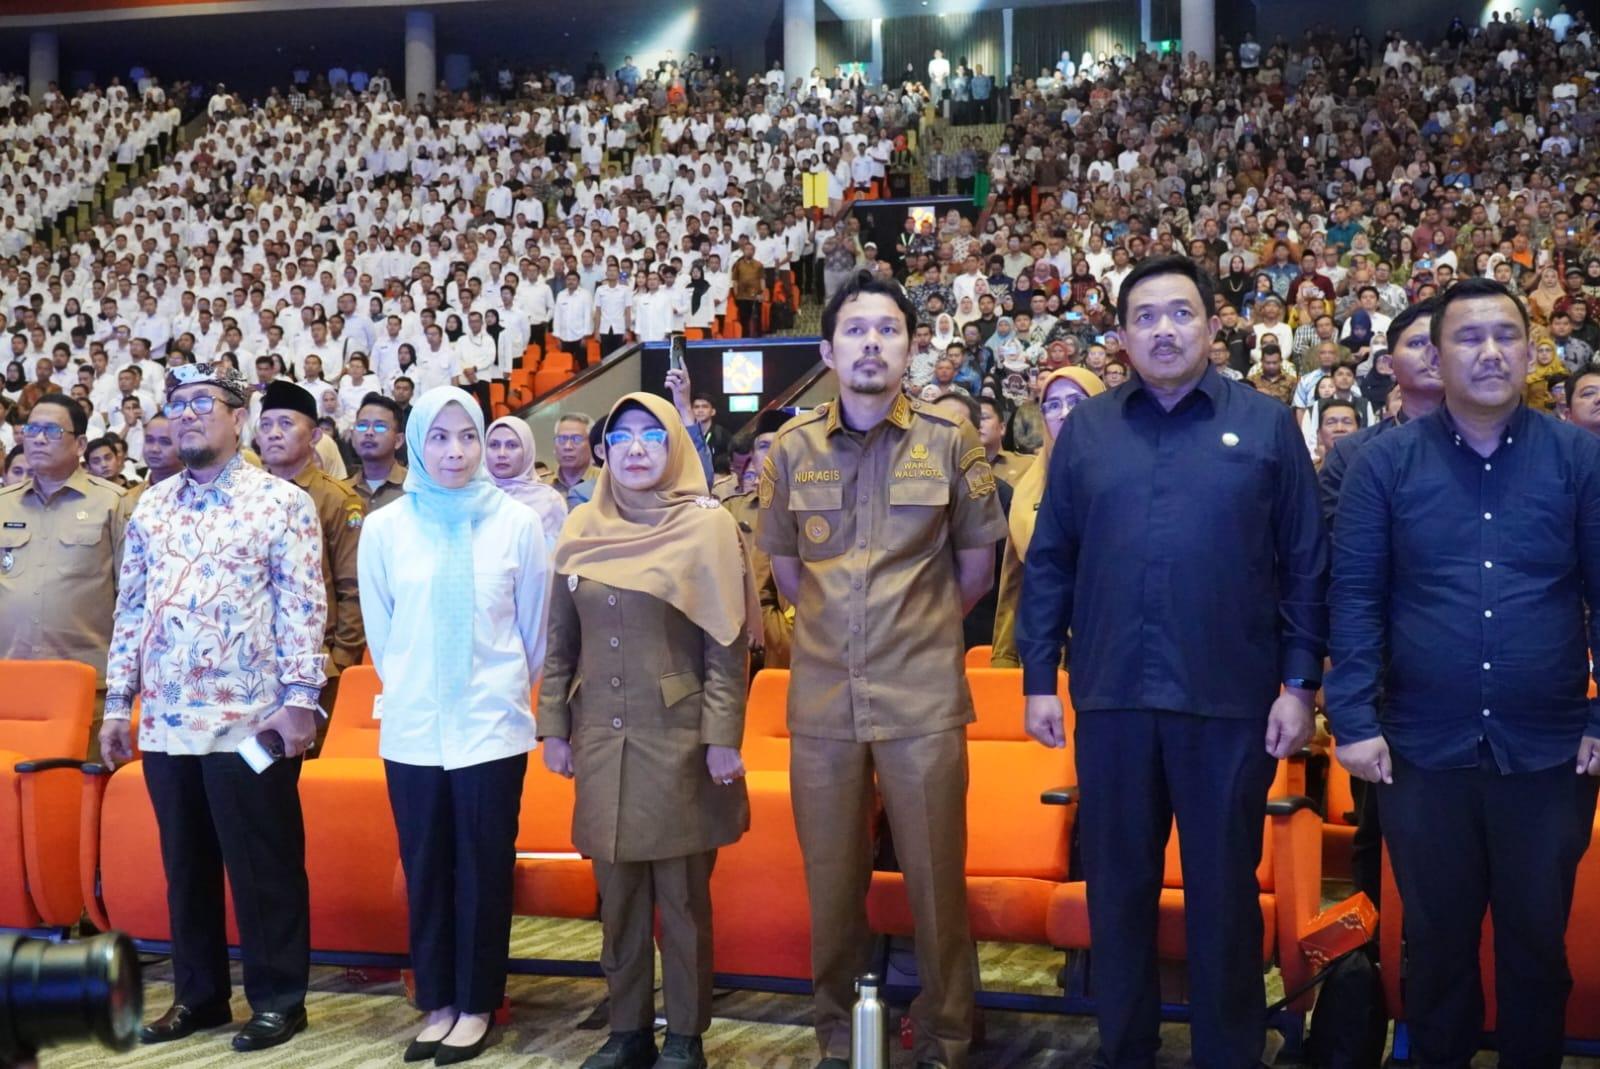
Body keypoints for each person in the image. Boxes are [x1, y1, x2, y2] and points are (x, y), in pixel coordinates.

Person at [1018, 256, 1327, 1069]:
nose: (1163, 329)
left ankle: (1228, 1052)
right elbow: (1050, 559)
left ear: (1212, 324)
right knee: (1118, 892)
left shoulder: (1264, 424)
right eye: (1145, 316)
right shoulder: (1088, 430)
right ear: (1120, 336)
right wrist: (1036, 677)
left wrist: (1301, 683)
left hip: (1229, 701)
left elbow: (1303, 560)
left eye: (1180, 313)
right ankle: (1126, 1049)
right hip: (1113, 698)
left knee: (1222, 893)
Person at [1326, 278, 1600, 1069]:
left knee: (1536, 950)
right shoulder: (1383, 465)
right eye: (1468, 337)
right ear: (1433, 357)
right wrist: (1354, 719)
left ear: (1531, 350)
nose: (1489, 352)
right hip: (1419, 750)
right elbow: (1356, 597)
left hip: (1549, 753)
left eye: (1506, 335)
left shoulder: (1580, 460)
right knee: (1436, 951)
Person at [757, 271, 1008, 1069]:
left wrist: (912, 629)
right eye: (856, 331)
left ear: (910, 345)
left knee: (936, 883)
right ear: (827, 350)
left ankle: (946, 1039)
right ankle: (840, 1037)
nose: (872, 343)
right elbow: (790, 575)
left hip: (923, 694)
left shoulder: (948, 440)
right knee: (831, 885)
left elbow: (975, 569)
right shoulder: (793, 449)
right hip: (824, 698)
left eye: (888, 329)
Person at [101, 361, 327, 1053]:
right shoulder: (152, 505)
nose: (189, 413)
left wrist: (300, 700)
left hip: (251, 721)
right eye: (178, 404)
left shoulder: (280, 502)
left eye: (205, 402)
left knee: (264, 863)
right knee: (187, 864)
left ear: (238, 417)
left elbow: (303, 605)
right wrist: (117, 702)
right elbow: (132, 607)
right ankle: (199, 995)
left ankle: (280, 997)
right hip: (169, 721)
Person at [540, 391, 755, 1069]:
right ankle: (627, 1029)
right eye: (622, 436)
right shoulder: (580, 529)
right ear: (604, 451)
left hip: (679, 737)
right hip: (601, 737)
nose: (635, 449)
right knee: (618, 895)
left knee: (683, 899)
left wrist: (723, 735)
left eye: (652, 436)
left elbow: (729, 644)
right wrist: (552, 725)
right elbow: (559, 642)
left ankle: (685, 1034)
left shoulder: (707, 527)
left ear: (676, 448)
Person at [358, 386, 550, 1066]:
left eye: (466, 436)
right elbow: (383, 636)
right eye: (438, 437)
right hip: (412, 728)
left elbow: (533, 630)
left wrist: (489, 688)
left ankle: (476, 1004)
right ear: (417, 442)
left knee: (483, 868)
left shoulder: (517, 523)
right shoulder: (384, 528)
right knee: (427, 868)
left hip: (491, 726)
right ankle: (436, 1000)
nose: (455, 451)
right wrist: (419, 686)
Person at [0, 393, 129, 757]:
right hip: (10, 682)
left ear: (81, 444)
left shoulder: (113, 503)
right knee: (10, 799)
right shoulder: (3, 504)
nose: (38, 438)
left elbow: (133, 599)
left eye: (52, 430)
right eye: (32, 429)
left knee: (75, 800)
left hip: (86, 687)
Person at [256, 380, 366, 709]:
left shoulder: (336, 498)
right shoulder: (247, 496)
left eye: (286, 424)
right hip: (255, 666)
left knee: (309, 758)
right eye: (266, 425)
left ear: (315, 436)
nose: (274, 433)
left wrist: (340, 660)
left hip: (317, 666)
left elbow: (353, 587)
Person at [990, 368, 1103, 668]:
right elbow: (1015, 583)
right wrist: (1004, 657)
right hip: (1047, 654)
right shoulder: (1029, 487)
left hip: (1117, 647)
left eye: (1077, 401)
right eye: (1052, 405)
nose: (1064, 413)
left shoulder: (1135, 477)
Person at [485, 415, 568, 549]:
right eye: (494, 445)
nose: (501, 453)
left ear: (527, 450)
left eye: (512, 445)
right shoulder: (475, 497)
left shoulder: (549, 501)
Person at [346, 393, 409, 512]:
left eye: (380, 426)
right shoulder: (341, 491)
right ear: (353, 438)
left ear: (398, 440)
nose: (369, 432)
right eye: (362, 426)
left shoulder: (414, 488)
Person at [544, 413, 600, 509]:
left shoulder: (604, 481)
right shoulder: (544, 486)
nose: (568, 446)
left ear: (591, 443)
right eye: (562, 439)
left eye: (576, 439)